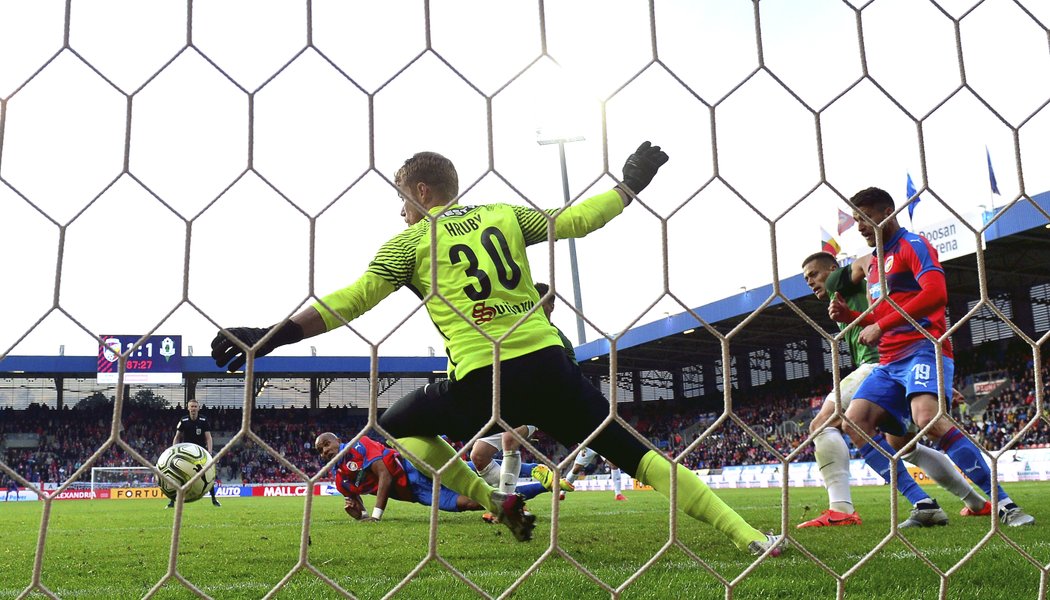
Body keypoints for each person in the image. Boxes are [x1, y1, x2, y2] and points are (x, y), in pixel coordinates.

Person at [212, 142, 783, 555]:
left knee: (395, 427)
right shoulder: (502, 215)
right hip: (548, 363)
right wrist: (629, 185)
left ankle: (492, 499)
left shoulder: (408, 242)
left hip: (484, 380)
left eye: (401, 199)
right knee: (632, 452)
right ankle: (751, 537)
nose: (400, 211)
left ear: (420, 191)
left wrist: (265, 338)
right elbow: (575, 221)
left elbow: (349, 302)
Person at [830, 187, 1034, 527]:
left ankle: (1005, 505)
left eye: (865, 218)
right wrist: (851, 317)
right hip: (890, 361)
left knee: (928, 419)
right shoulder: (877, 264)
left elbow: (935, 295)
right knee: (854, 421)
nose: (861, 227)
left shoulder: (914, 245)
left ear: (887, 212)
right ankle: (923, 503)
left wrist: (879, 325)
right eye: (856, 221)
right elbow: (883, 312)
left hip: (924, 348)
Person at [799, 251, 991, 528]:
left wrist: (871, 269)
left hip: (880, 367)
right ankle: (975, 503)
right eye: (806, 279)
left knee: (821, 423)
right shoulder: (841, 298)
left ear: (833, 268)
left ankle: (840, 508)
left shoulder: (843, 282)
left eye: (814, 274)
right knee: (903, 446)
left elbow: (867, 260)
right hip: (905, 367)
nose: (811, 282)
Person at [315, 433, 558, 520]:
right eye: (320, 450)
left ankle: (539, 470)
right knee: (474, 502)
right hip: (417, 493)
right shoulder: (341, 481)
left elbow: (385, 476)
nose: (326, 450)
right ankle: (546, 487)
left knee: (478, 468)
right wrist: (361, 516)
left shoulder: (359, 445)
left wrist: (376, 516)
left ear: (337, 439)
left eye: (327, 443)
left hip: (414, 466)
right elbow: (359, 509)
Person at [534, 282, 628, 502]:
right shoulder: (525, 330)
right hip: (556, 410)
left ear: (550, 305)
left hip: (576, 411)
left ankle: (617, 492)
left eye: (541, 302)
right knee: (576, 466)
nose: (536, 307)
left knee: (613, 458)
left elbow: (571, 371)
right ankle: (561, 486)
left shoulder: (557, 337)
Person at [168, 399, 221, 508]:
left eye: (195, 406)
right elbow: (177, 437)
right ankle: (172, 501)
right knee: (177, 475)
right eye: (191, 406)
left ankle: (214, 499)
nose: (193, 409)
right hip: (186, 453)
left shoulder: (203, 420)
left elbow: (209, 438)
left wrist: (209, 453)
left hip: (200, 453)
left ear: (198, 408)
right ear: (188, 408)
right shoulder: (183, 420)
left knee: (209, 474)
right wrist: (173, 452)